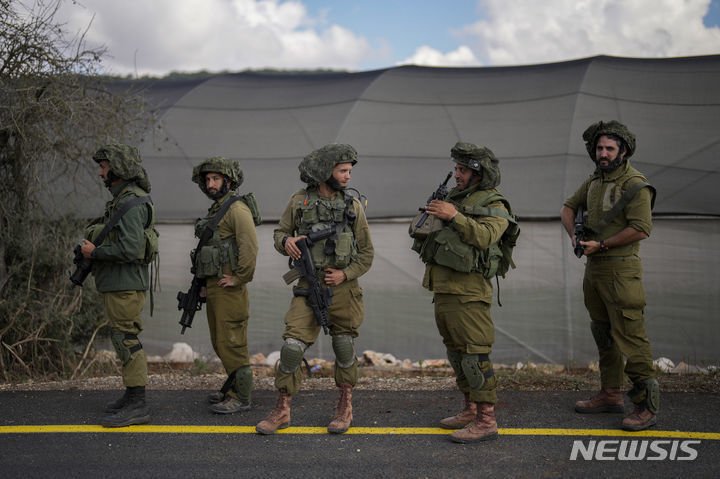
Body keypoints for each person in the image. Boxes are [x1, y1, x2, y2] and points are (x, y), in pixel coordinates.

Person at [255, 144, 374, 435]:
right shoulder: (299, 202)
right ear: (325, 172)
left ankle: (344, 404)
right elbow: (280, 233)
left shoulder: (352, 206)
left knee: (344, 347)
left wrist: (345, 274)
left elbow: (367, 254)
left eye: (349, 171)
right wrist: (286, 243)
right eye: (342, 171)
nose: (347, 176)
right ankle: (282, 408)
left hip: (344, 290)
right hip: (307, 286)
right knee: (291, 347)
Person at [410, 142, 514, 444]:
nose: (457, 174)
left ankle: (486, 420)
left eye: (463, 170)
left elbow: (485, 236)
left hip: (469, 293)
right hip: (443, 288)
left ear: (479, 174)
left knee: (475, 354)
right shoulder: (454, 197)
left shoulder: (495, 203)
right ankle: (469, 409)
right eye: (456, 169)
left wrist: (453, 215)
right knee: (456, 353)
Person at [561, 120, 659, 431]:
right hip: (595, 271)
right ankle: (611, 393)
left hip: (621, 270)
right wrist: (574, 238)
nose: (603, 153)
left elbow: (641, 229)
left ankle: (646, 405)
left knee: (630, 336)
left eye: (609, 148)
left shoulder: (636, 184)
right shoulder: (594, 181)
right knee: (602, 333)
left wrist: (602, 243)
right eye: (599, 148)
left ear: (624, 150)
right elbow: (567, 207)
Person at [80, 143, 155, 428]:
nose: (100, 173)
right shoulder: (122, 198)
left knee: (127, 340)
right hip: (117, 283)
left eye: (104, 167)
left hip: (125, 285)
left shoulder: (131, 202)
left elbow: (131, 248)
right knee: (121, 338)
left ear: (119, 169)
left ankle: (138, 404)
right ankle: (131, 395)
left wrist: (94, 253)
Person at [190, 157, 259, 414]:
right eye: (207, 179)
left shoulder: (236, 209)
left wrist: (239, 278)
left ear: (228, 181)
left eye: (215, 179)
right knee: (220, 340)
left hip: (231, 289)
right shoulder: (218, 209)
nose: (210, 184)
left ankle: (242, 396)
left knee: (232, 341)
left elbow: (249, 247)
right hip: (217, 285)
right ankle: (231, 387)